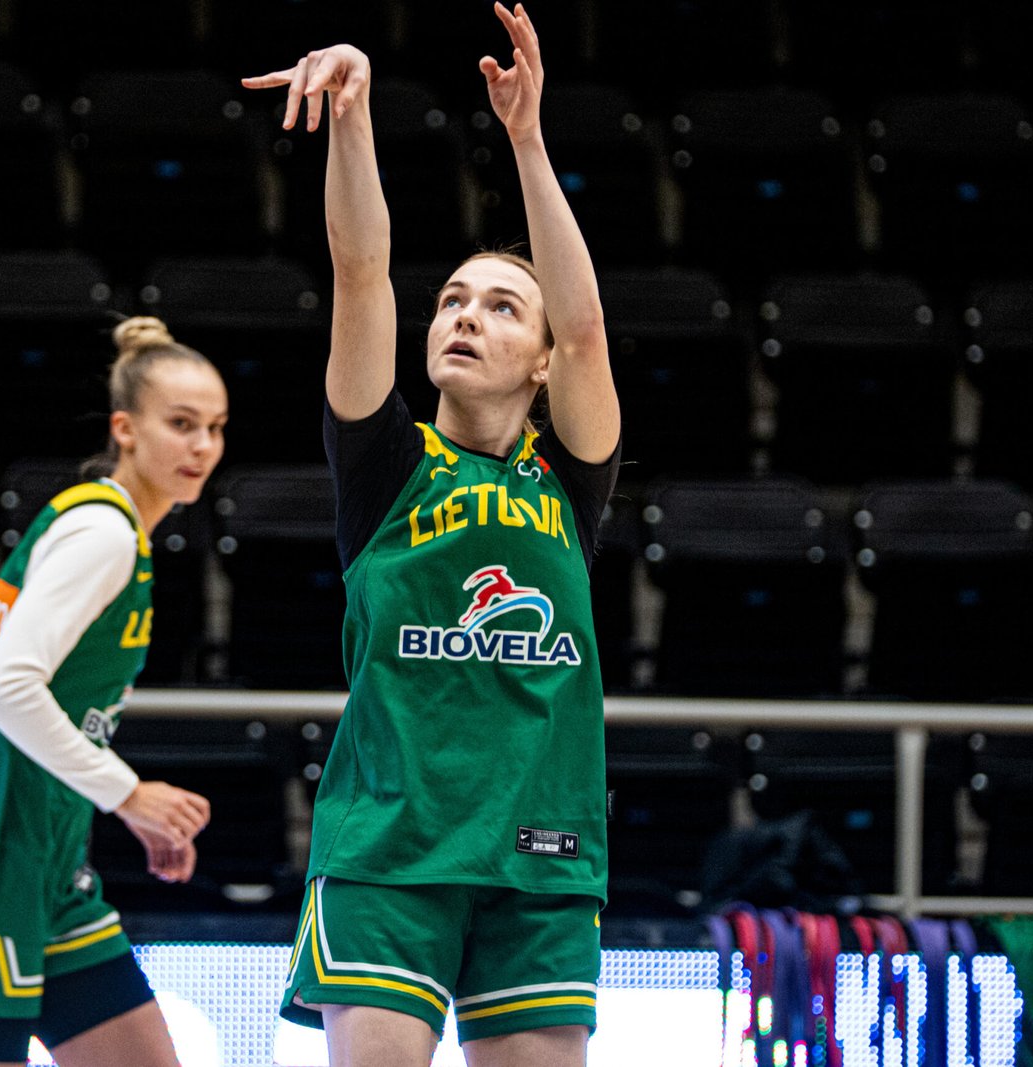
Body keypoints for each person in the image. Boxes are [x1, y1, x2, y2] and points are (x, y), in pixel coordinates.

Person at [243, 5, 622, 1065]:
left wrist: (527, 140)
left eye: (501, 308)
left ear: (540, 362)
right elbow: (360, 270)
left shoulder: (569, 475)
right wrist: (353, 115)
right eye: (453, 300)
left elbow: (586, 326)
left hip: (541, 854)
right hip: (388, 850)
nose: (463, 315)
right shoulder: (386, 463)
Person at [0, 316, 227, 1067]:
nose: (202, 445)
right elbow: (4, 688)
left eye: (215, 427)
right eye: (181, 424)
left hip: (49, 864)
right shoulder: (102, 533)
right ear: (125, 429)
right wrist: (128, 794)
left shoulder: (113, 529)